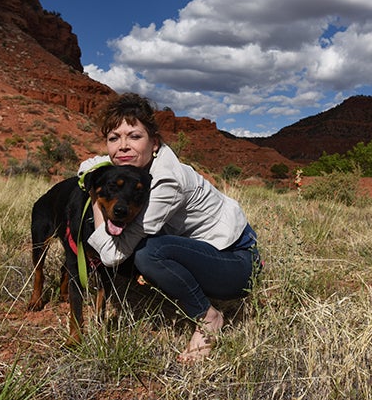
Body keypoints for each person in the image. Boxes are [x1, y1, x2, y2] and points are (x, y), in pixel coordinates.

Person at [78, 92, 260, 363]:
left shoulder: (166, 181)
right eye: (114, 138)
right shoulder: (136, 171)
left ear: (154, 143)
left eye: (134, 136)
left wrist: (95, 197)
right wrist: (90, 175)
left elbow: (111, 256)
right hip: (205, 253)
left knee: (147, 253)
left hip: (235, 262)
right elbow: (89, 165)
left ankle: (208, 318)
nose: (123, 146)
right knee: (142, 246)